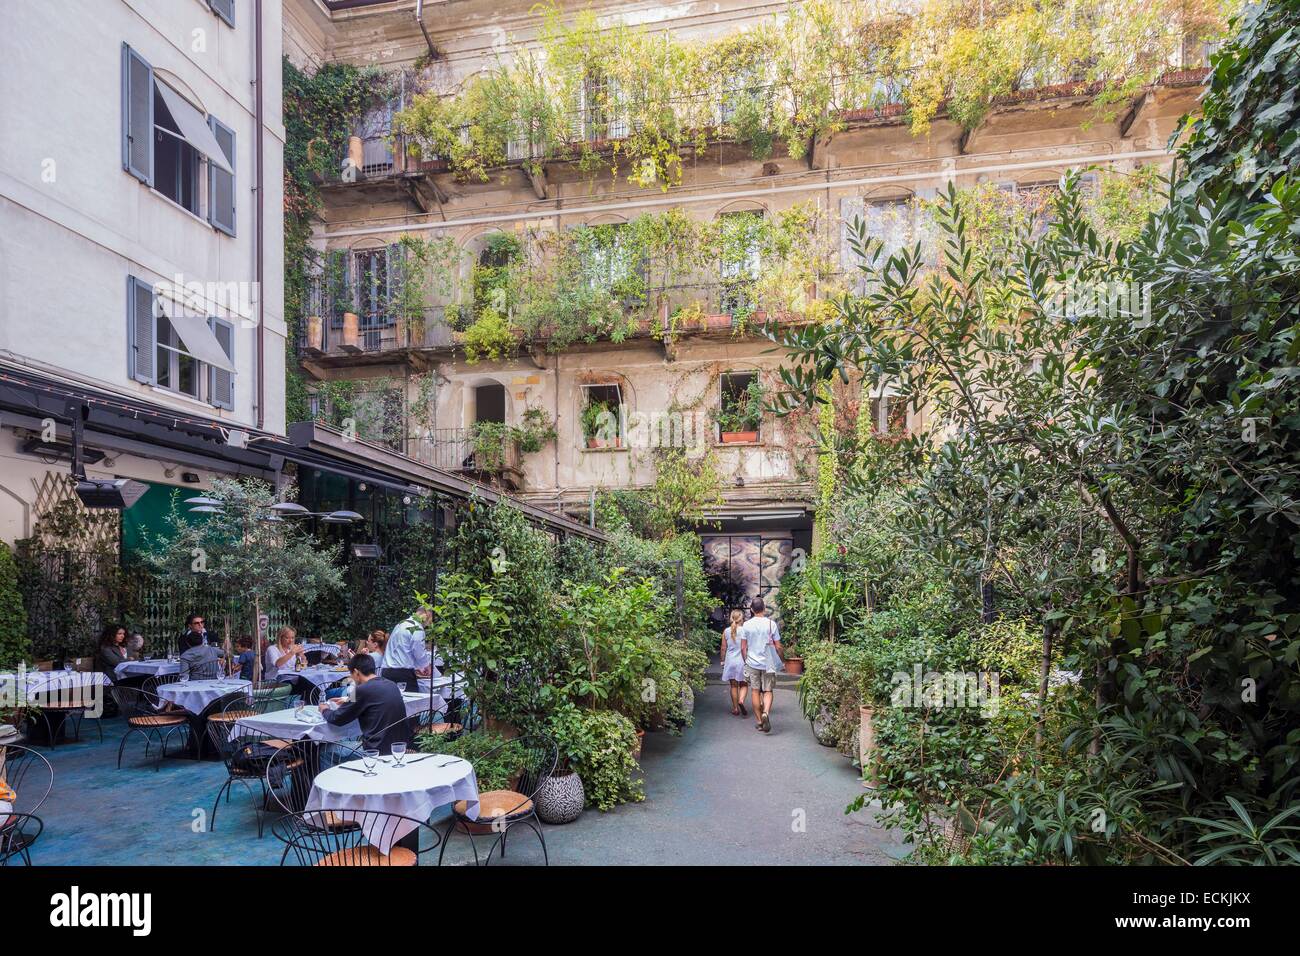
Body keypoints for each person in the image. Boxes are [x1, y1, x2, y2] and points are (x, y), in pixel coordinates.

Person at [319, 653, 410, 754]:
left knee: (325, 751)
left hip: (376, 750)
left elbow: (336, 718)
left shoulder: (361, 690)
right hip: (399, 747)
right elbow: (372, 699)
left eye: (351, 674)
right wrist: (347, 700)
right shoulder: (391, 684)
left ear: (356, 672)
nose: (351, 678)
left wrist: (324, 709)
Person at [739, 597, 784, 734]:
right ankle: (765, 713)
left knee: (755, 691)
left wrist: (745, 660)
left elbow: (743, 648)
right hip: (768, 663)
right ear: (764, 609)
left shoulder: (746, 625)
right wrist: (782, 660)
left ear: (751, 609)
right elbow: (778, 646)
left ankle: (759, 721)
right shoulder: (771, 624)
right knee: (768, 690)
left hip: (752, 662)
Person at [384, 608, 434, 693]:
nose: (429, 624)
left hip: (387, 671)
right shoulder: (416, 627)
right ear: (426, 615)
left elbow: (404, 650)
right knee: (412, 702)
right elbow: (419, 651)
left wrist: (418, 667)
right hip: (403, 674)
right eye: (430, 620)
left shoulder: (401, 624)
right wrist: (426, 665)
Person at [720, 609, 748, 717]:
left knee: (733, 685)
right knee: (744, 684)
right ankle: (741, 700)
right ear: (742, 618)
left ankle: (735, 708)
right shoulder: (745, 631)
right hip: (742, 660)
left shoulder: (726, 631)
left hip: (730, 661)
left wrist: (722, 661)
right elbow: (746, 647)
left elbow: (723, 648)